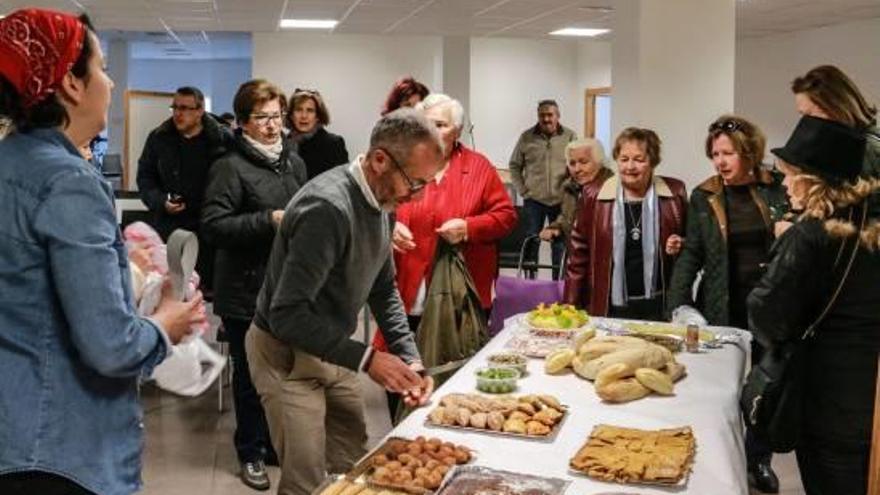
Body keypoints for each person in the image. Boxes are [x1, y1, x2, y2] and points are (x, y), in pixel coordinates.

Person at [0, 9, 204, 495]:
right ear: (71, 84)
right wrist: (164, 326)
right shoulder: (68, 181)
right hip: (60, 449)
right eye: (103, 67)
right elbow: (110, 346)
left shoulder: (10, 163)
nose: (109, 82)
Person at [246, 108, 441, 495]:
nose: (415, 194)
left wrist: (409, 359)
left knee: (354, 469)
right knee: (305, 482)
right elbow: (287, 315)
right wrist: (368, 359)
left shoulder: (383, 202)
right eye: (414, 183)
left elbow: (383, 287)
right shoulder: (328, 209)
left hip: (333, 351)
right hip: (286, 356)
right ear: (380, 160)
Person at [748, 115, 878, 495]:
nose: (785, 184)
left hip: (825, 399)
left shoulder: (808, 235)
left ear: (813, 179)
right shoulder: (868, 223)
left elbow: (767, 315)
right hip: (871, 397)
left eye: (791, 174)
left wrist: (779, 252)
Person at [666, 115, 788, 493]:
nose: (720, 161)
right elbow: (693, 253)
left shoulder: (778, 189)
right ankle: (723, 462)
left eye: (729, 153)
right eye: (715, 153)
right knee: (723, 392)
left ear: (749, 152)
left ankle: (758, 460)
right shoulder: (704, 195)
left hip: (771, 308)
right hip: (721, 306)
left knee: (764, 390)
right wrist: (678, 303)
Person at [375, 94, 516, 411]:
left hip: (459, 292)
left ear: (458, 131)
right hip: (405, 285)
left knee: (452, 374)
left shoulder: (477, 167)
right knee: (400, 369)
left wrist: (468, 227)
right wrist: (390, 226)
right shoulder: (403, 161)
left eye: (440, 124)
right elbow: (376, 204)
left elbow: (506, 216)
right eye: (426, 123)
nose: (431, 130)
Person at [201, 79, 307, 491]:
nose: (271, 125)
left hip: (287, 287)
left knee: (284, 373)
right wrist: (268, 220)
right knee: (251, 379)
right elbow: (213, 225)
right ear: (243, 123)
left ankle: (273, 442)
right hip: (245, 292)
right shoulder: (229, 166)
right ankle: (251, 452)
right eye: (261, 117)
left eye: (276, 116)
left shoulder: (293, 162)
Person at [563, 128, 686, 320]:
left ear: (653, 162)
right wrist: (570, 306)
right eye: (624, 159)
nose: (630, 166)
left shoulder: (674, 192)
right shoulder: (593, 195)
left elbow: (692, 247)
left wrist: (681, 243)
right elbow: (578, 256)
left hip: (660, 305)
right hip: (609, 306)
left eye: (639, 159)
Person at [136, 86, 230, 293]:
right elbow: (145, 178)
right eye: (175, 107)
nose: (178, 113)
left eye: (185, 108)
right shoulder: (159, 138)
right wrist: (161, 201)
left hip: (208, 231)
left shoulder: (221, 140)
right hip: (170, 229)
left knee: (205, 297)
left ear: (200, 111)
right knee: (170, 292)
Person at [509, 99, 577, 279]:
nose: (546, 119)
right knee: (531, 242)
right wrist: (522, 190)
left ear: (558, 116)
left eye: (550, 115)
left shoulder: (570, 136)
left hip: (561, 201)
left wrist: (571, 190)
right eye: (542, 115)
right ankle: (530, 282)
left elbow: (576, 166)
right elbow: (514, 165)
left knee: (560, 244)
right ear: (538, 116)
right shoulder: (526, 137)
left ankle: (558, 283)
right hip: (534, 201)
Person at [791, 64, 879, 177]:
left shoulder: (863, 153)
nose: (806, 123)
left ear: (839, 107)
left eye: (811, 114)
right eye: (803, 115)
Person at [540, 138, 614, 243]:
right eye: (572, 163)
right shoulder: (570, 188)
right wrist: (556, 227)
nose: (577, 169)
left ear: (599, 162)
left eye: (583, 162)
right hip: (576, 254)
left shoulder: (612, 190)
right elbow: (567, 218)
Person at [286, 88, 349, 180]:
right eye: (299, 110)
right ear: (291, 115)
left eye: (310, 110)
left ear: (318, 116)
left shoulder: (333, 144)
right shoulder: (282, 144)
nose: (304, 116)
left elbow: (342, 184)